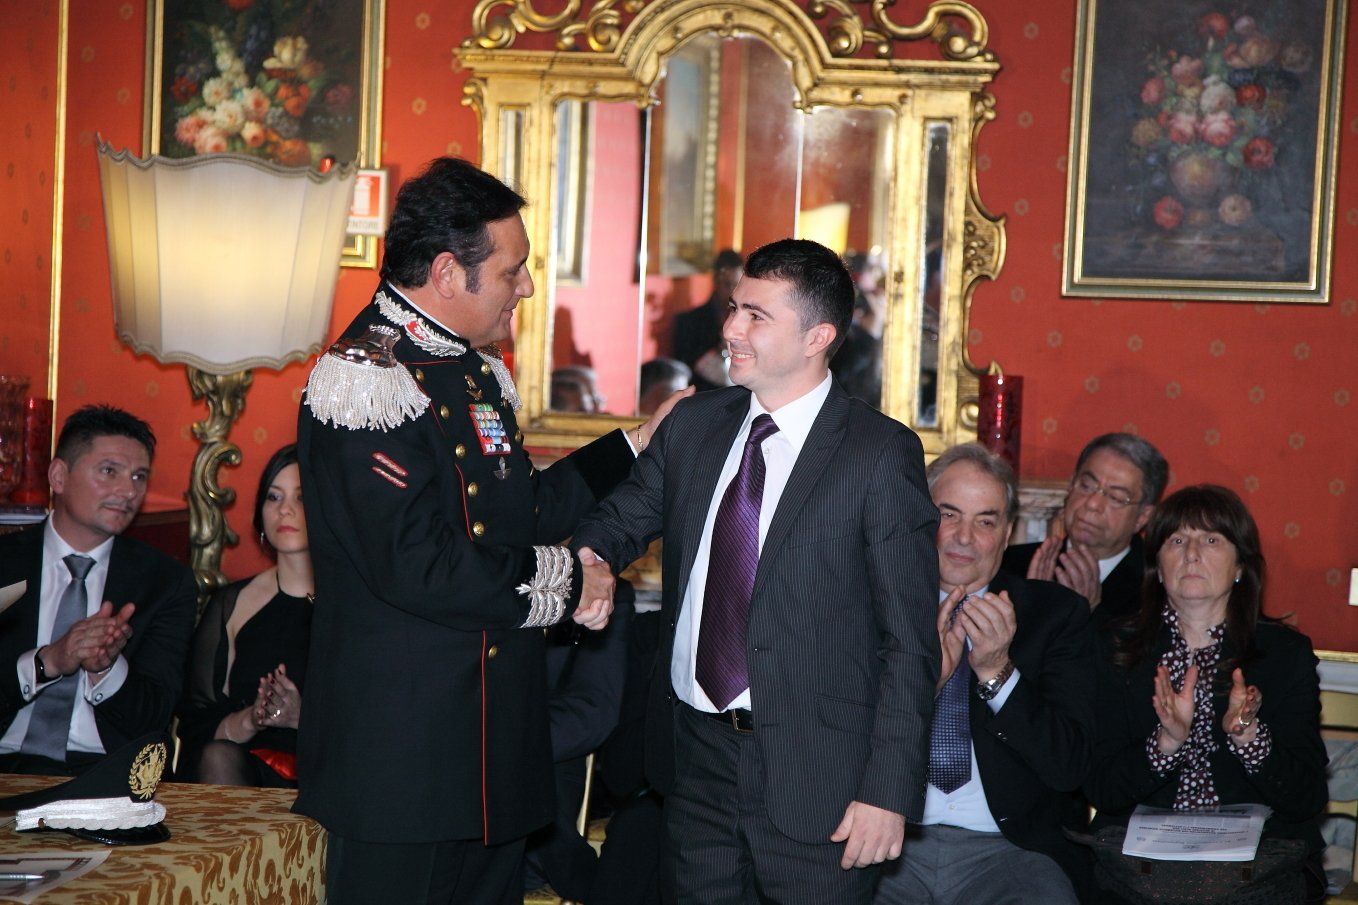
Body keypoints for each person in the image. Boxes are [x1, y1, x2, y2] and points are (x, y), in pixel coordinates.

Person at [295, 156, 683, 905]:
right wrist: (568, 583)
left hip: (490, 756)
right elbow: (418, 564)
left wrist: (637, 443)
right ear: (448, 273)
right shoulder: (365, 377)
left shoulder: (471, 368)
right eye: (513, 270)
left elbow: (522, 510)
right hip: (405, 767)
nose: (527, 287)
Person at [575, 238, 940, 904]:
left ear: (818, 337)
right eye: (733, 308)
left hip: (821, 778)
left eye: (756, 315)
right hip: (695, 763)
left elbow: (909, 641)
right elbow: (618, 520)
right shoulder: (693, 426)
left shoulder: (879, 454)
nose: (730, 329)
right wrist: (591, 562)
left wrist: (887, 793)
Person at [874, 444, 1095, 905]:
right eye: (948, 515)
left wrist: (998, 672)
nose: (964, 538)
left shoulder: (1054, 615)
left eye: (985, 522)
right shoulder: (873, 606)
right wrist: (926, 685)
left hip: (1011, 852)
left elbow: (1070, 766)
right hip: (889, 840)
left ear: (1008, 533)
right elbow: (832, 744)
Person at [1085, 485, 1327, 901]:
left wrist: (1249, 737)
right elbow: (1101, 790)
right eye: (1177, 541)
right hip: (1139, 871)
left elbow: (1307, 798)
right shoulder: (1115, 649)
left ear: (1240, 566)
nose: (1192, 554)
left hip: (1257, 870)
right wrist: (1165, 744)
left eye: (1212, 540)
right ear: (1158, 568)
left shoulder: (1283, 654)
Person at [0, 405, 196, 776]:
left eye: (139, 476)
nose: (129, 491)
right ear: (59, 476)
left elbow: (155, 716)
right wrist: (47, 662)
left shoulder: (165, 582)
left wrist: (107, 668)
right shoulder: (6, 564)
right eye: (109, 471)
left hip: (107, 773)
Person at [177, 444, 312, 787]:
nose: (285, 510)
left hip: (329, 771)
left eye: (301, 498)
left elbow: (380, 719)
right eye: (273, 497)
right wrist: (251, 718)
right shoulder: (233, 602)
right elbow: (195, 722)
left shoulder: (355, 606)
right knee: (216, 756)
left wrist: (301, 717)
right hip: (243, 770)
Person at [1002, 433, 1169, 626]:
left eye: (1115, 497)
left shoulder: (1158, 587)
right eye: (1086, 486)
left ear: (1143, 517)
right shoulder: (1009, 565)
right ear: (1071, 485)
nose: (1092, 504)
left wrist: (1085, 615)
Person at [672, 248, 743, 391]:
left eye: (737, 286)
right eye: (727, 284)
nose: (732, 292)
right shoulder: (688, 322)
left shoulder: (749, 321)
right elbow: (683, 375)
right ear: (716, 281)